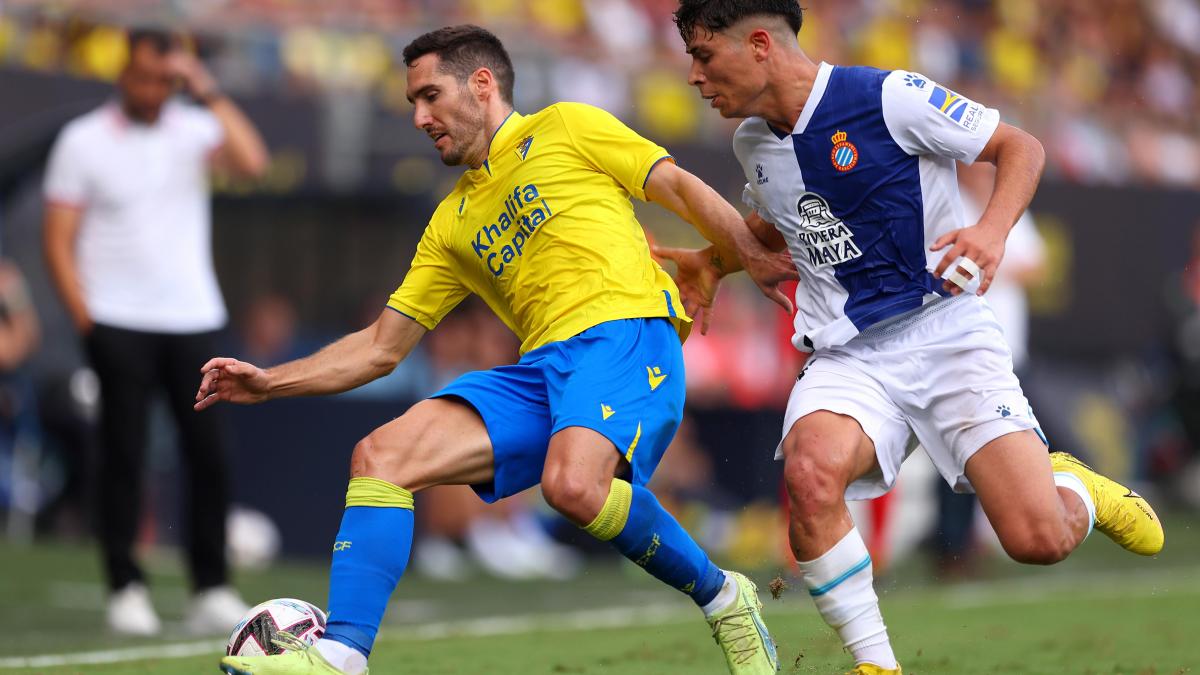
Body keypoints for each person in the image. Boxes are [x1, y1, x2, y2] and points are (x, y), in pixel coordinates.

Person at [200, 25, 792, 675]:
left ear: (481, 84)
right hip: (541, 371)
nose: (420, 117)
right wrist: (271, 381)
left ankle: (723, 596)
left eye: (430, 96)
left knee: (573, 486)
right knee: (381, 457)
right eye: (412, 103)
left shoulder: (566, 126)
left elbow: (675, 186)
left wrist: (742, 252)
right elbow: (380, 347)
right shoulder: (451, 222)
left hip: (625, 333)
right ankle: (341, 654)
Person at [659, 2, 1165, 673]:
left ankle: (1072, 486)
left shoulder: (887, 97)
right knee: (809, 473)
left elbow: (1022, 147)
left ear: (758, 45)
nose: (693, 76)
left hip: (945, 331)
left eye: (703, 55)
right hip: (848, 353)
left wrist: (991, 231)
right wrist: (713, 260)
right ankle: (877, 664)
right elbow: (783, 223)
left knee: (1038, 539)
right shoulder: (751, 143)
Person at [42, 28, 269, 635]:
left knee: (209, 456)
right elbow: (57, 239)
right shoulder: (83, 140)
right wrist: (88, 320)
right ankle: (125, 586)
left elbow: (253, 161)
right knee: (123, 453)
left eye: (164, 79)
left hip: (192, 318)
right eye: (143, 76)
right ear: (123, 71)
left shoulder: (194, 128)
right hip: (116, 320)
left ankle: (211, 586)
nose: (151, 89)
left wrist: (207, 88)